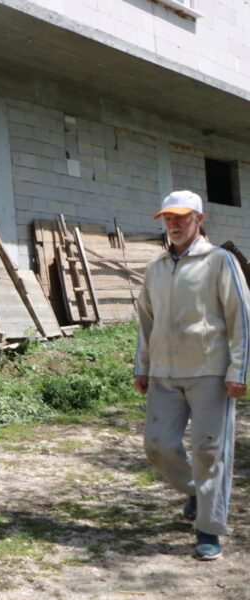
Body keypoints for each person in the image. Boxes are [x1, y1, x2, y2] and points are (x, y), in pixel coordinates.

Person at [134, 190, 249, 561]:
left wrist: (239, 369)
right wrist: (143, 365)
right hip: (165, 373)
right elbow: (145, 322)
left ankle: (209, 528)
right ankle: (197, 494)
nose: (173, 224)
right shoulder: (155, 266)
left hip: (210, 374)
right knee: (158, 445)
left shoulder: (220, 260)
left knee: (209, 451)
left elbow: (241, 318)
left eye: (181, 218)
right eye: (168, 218)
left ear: (199, 220)